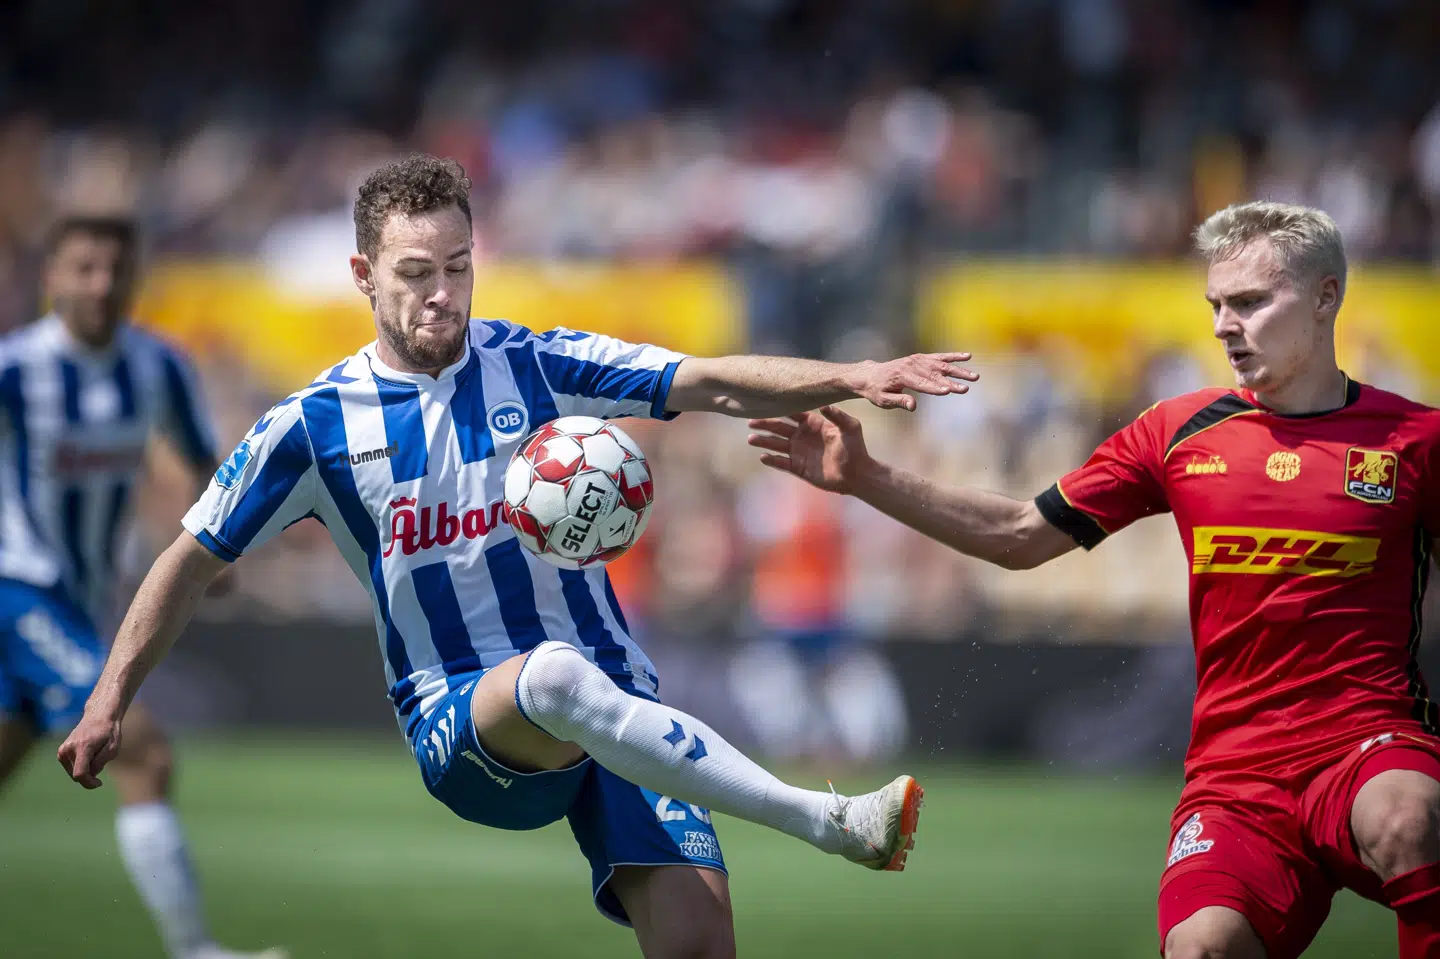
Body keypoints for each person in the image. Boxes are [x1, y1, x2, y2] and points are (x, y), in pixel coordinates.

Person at [57, 154, 973, 959]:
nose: (442, 294)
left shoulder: (533, 364)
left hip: (620, 707)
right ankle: (827, 819)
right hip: (463, 721)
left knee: (699, 944)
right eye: (415, 273)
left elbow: (700, 378)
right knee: (553, 675)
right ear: (362, 275)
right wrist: (108, 701)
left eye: (458, 268)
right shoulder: (313, 424)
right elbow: (189, 556)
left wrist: (854, 374)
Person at [748, 201, 1440, 959]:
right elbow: (1018, 536)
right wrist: (868, 478)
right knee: (1201, 947)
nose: (1222, 326)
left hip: (1367, 740)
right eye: (1214, 304)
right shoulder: (1177, 431)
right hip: (1235, 774)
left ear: (1325, 296)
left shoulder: (1415, 439)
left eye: (1248, 302)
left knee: (1406, 816)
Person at [0, 216, 285, 959]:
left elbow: (204, 465)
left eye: (114, 269)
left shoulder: (157, 366)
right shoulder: (14, 369)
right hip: (18, 589)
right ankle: (195, 949)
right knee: (144, 751)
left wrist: (212, 555)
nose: (100, 284)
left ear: (135, 279)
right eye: (83, 267)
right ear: (51, 279)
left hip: (82, 596)